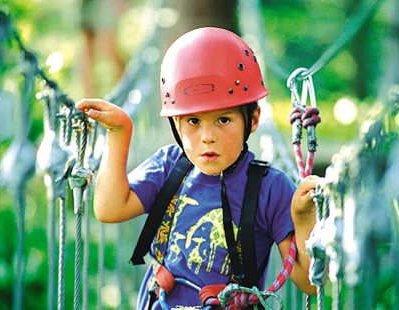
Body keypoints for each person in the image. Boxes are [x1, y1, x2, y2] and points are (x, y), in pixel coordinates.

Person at [76, 27, 319, 309]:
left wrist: (303, 220)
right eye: (193, 122)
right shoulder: (170, 166)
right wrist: (119, 133)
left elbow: (309, 284)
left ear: (252, 120)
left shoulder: (269, 187)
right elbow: (110, 209)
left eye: (223, 120)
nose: (207, 136)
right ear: (175, 125)